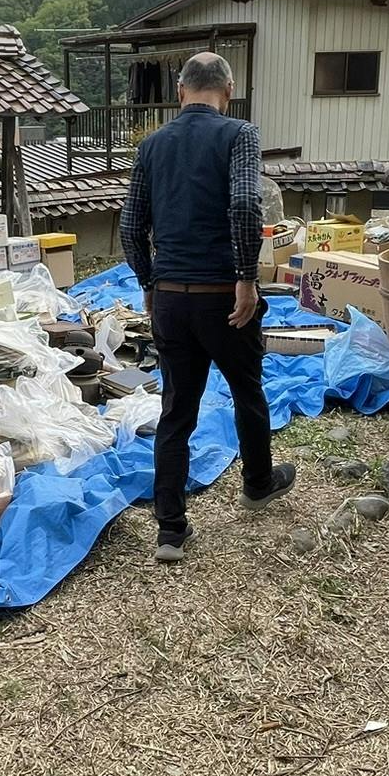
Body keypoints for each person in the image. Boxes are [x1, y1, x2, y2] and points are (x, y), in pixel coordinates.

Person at [120, 52, 295, 563]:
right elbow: (243, 204)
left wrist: (148, 281)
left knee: (177, 409)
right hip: (222, 295)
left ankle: (170, 529)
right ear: (229, 89)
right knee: (246, 389)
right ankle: (257, 483)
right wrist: (246, 277)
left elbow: (131, 225)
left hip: (171, 296)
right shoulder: (239, 134)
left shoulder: (152, 145)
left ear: (181, 91)